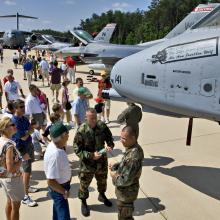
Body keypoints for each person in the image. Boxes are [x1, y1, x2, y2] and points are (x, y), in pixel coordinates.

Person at [73, 108, 114, 217]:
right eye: (91, 118)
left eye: (95, 118)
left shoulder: (102, 126)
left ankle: (102, 195)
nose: (94, 120)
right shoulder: (81, 130)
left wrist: (110, 145)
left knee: (102, 180)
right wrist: (91, 156)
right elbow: (77, 149)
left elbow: (109, 138)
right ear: (86, 118)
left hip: (101, 162)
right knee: (84, 184)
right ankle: (84, 202)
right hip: (87, 165)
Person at [109, 126, 144, 220]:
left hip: (126, 195)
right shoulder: (132, 148)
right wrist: (117, 165)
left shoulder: (133, 156)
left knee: (124, 218)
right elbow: (127, 164)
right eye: (120, 137)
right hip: (126, 193)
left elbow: (125, 181)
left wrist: (114, 175)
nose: (121, 140)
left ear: (133, 138)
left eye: (124, 138)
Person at [12, 99, 38, 207]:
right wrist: (29, 131)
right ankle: (25, 196)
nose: (23, 108)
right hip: (21, 148)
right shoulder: (15, 121)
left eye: (23, 106)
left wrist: (29, 130)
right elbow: (23, 137)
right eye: (21, 107)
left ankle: (26, 187)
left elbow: (30, 128)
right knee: (26, 171)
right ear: (15, 109)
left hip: (28, 145)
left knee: (27, 169)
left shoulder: (23, 118)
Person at [44, 122, 72, 220]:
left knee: (57, 211)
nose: (68, 135)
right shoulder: (55, 154)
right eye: (67, 133)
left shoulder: (55, 145)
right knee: (63, 216)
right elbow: (50, 181)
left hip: (59, 188)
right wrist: (64, 191)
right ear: (62, 136)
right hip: (59, 189)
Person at [0, 117, 24, 220]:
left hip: (4, 177)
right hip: (12, 179)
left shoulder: (1, 140)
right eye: (12, 125)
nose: (15, 126)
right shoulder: (9, 145)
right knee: (16, 206)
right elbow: (10, 168)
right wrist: (20, 161)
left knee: (9, 202)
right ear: (5, 129)